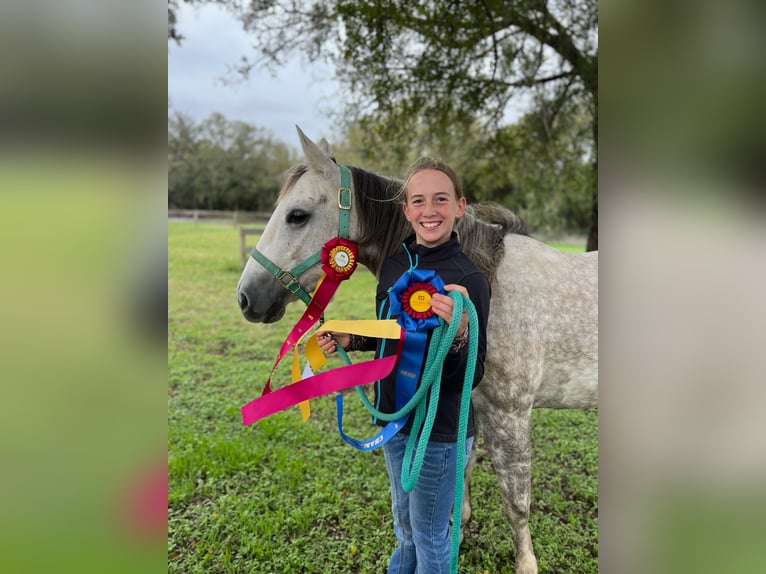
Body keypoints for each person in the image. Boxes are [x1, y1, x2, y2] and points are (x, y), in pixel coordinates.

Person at [316, 158, 490, 574]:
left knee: (431, 534)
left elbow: (473, 373)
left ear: (459, 207)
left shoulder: (471, 279)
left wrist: (460, 333)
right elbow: (390, 335)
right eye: (419, 201)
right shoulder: (395, 266)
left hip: (440, 430)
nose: (430, 210)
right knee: (405, 525)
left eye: (441, 199)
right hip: (394, 420)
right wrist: (353, 339)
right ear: (407, 210)